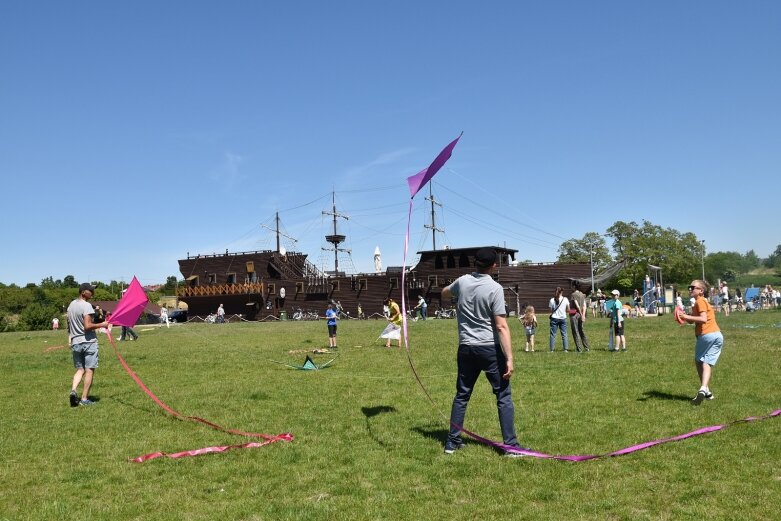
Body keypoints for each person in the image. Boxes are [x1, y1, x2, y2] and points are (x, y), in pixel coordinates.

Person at [441, 247, 523, 456]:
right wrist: (510, 358)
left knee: (462, 394)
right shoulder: (495, 288)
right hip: (489, 349)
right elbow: (501, 326)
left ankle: (452, 442)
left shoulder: (462, 281)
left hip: (466, 348)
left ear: (475, 263)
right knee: (503, 396)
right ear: (494, 266)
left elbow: (444, 293)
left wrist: (456, 295)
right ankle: (511, 446)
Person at [678, 280, 723, 405]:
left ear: (701, 291)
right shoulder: (699, 303)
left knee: (699, 361)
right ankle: (706, 391)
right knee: (706, 362)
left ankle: (704, 388)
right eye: (689, 287)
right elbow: (693, 321)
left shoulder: (700, 301)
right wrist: (683, 315)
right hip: (717, 335)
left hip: (706, 335)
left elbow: (703, 319)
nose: (690, 289)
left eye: (693, 287)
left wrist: (686, 317)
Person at [67, 283, 109, 407]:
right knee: (89, 370)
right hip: (88, 342)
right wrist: (103, 324)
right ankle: (84, 399)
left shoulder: (71, 305)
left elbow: (69, 325)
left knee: (80, 369)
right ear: (83, 292)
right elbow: (87, 326)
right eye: (91, 291)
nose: (93, 293)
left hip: (75, 341)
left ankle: (73, 391)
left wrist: (70, 339)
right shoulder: (87, 306)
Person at [569, 283, 591, 352]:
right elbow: (584, 306)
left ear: (574, 287)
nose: (571, 287)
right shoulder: (582, 294)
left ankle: (579, 349)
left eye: (572, 286)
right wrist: (583, 315)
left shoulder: (573, 294)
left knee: (575, 331)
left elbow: (577, 305)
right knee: (581, 331)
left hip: (574, 315)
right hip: (580, 315)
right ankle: (586, 347)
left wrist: (581, 314)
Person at [548, 286, 570, 352]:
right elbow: (568, 310)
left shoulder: (552, 300)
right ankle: (565, 349)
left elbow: (551, 310)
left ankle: (551, 350)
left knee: (553, 335)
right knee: (564, 334)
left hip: (554, 318)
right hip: (563, 318)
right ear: (561, 292)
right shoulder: (565, 299)